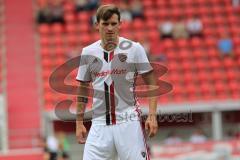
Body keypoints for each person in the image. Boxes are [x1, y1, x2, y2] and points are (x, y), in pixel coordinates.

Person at [76, 4, 158, 160]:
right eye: (105, 24)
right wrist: (79, 123)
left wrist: (152, 116)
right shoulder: (88, 52)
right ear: (96, 25)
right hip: (99, 124)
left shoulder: (134, 49)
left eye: (113, 23)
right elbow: (82, 88)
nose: (109, 28)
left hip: (128, 123)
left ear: (120, 24)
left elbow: (152, 82)